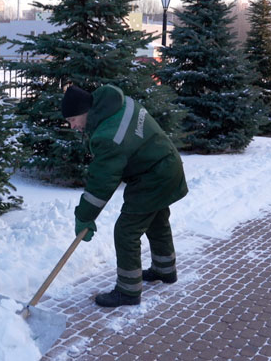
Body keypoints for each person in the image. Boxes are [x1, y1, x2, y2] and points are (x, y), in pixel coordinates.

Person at [61, 84, 188, 307]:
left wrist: (84, 216)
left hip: (153, 176)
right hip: (166, 164)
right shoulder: (117, 103)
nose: (73, 126)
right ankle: (164, 269)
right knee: (157, 220)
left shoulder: (108, 136)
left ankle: (128, 291)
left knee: (126, 231)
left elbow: (102, 183)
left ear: (85, 111)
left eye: (72, 120)